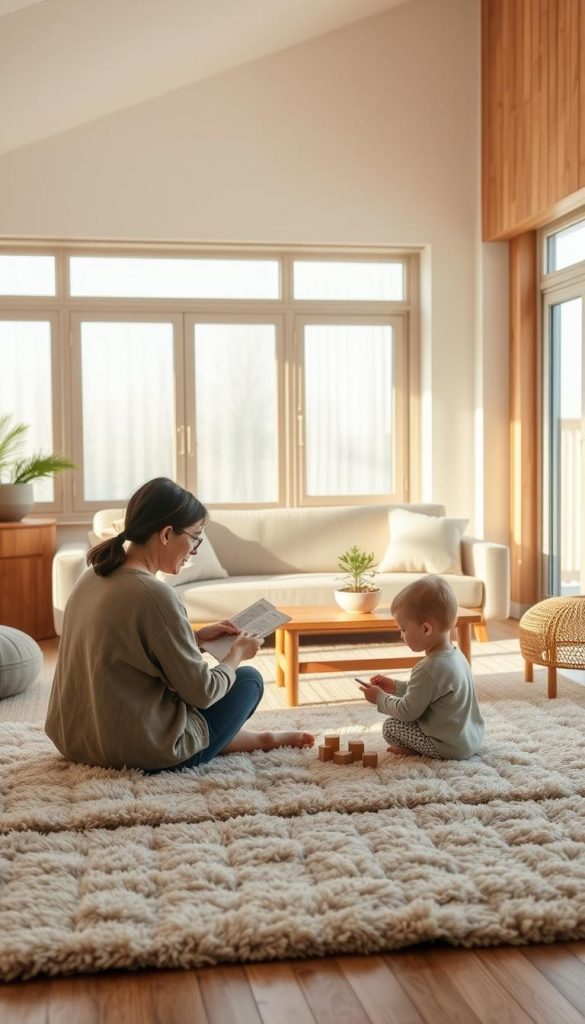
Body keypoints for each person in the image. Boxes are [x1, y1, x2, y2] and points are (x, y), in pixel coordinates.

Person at [45, 477, 314, 771]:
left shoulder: (93, 576)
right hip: (139, 752)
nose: (195, 549)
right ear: (166, 534)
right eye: (195, 537)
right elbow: (202, 692)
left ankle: (260, 738)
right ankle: (255, 739)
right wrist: (236, 653)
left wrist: (195, 638)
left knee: (188, 690)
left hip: (76, 740)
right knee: (248, 680)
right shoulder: (156, 595)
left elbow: (127, 650)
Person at [358, 574, 484, 759]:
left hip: (448, 746)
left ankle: (423, 750)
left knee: (390, 727)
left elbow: (407, 711)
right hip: (470, 740)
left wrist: (380, 698)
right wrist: (393, 686)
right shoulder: (457, 656)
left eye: (403, 629)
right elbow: (428, 691)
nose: (401, 635)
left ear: (426, 628)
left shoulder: (427, 668)